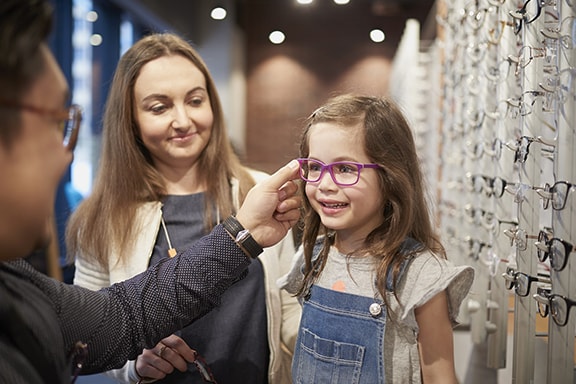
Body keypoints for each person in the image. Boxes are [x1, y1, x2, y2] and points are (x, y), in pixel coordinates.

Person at [0, 1, 301, 383]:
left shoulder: (260, 193)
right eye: (159, 107)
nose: (183, 120)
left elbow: (115, 319)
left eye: (195, 100)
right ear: (131, 121)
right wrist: (134, 366)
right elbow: (105, 327)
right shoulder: (101, 215)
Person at [278, 94, 475, 383]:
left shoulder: (421, 276)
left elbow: (440, 376)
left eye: (345, 169)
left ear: (390, 176)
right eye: (316, 167)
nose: (325, 184)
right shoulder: (312, 258)